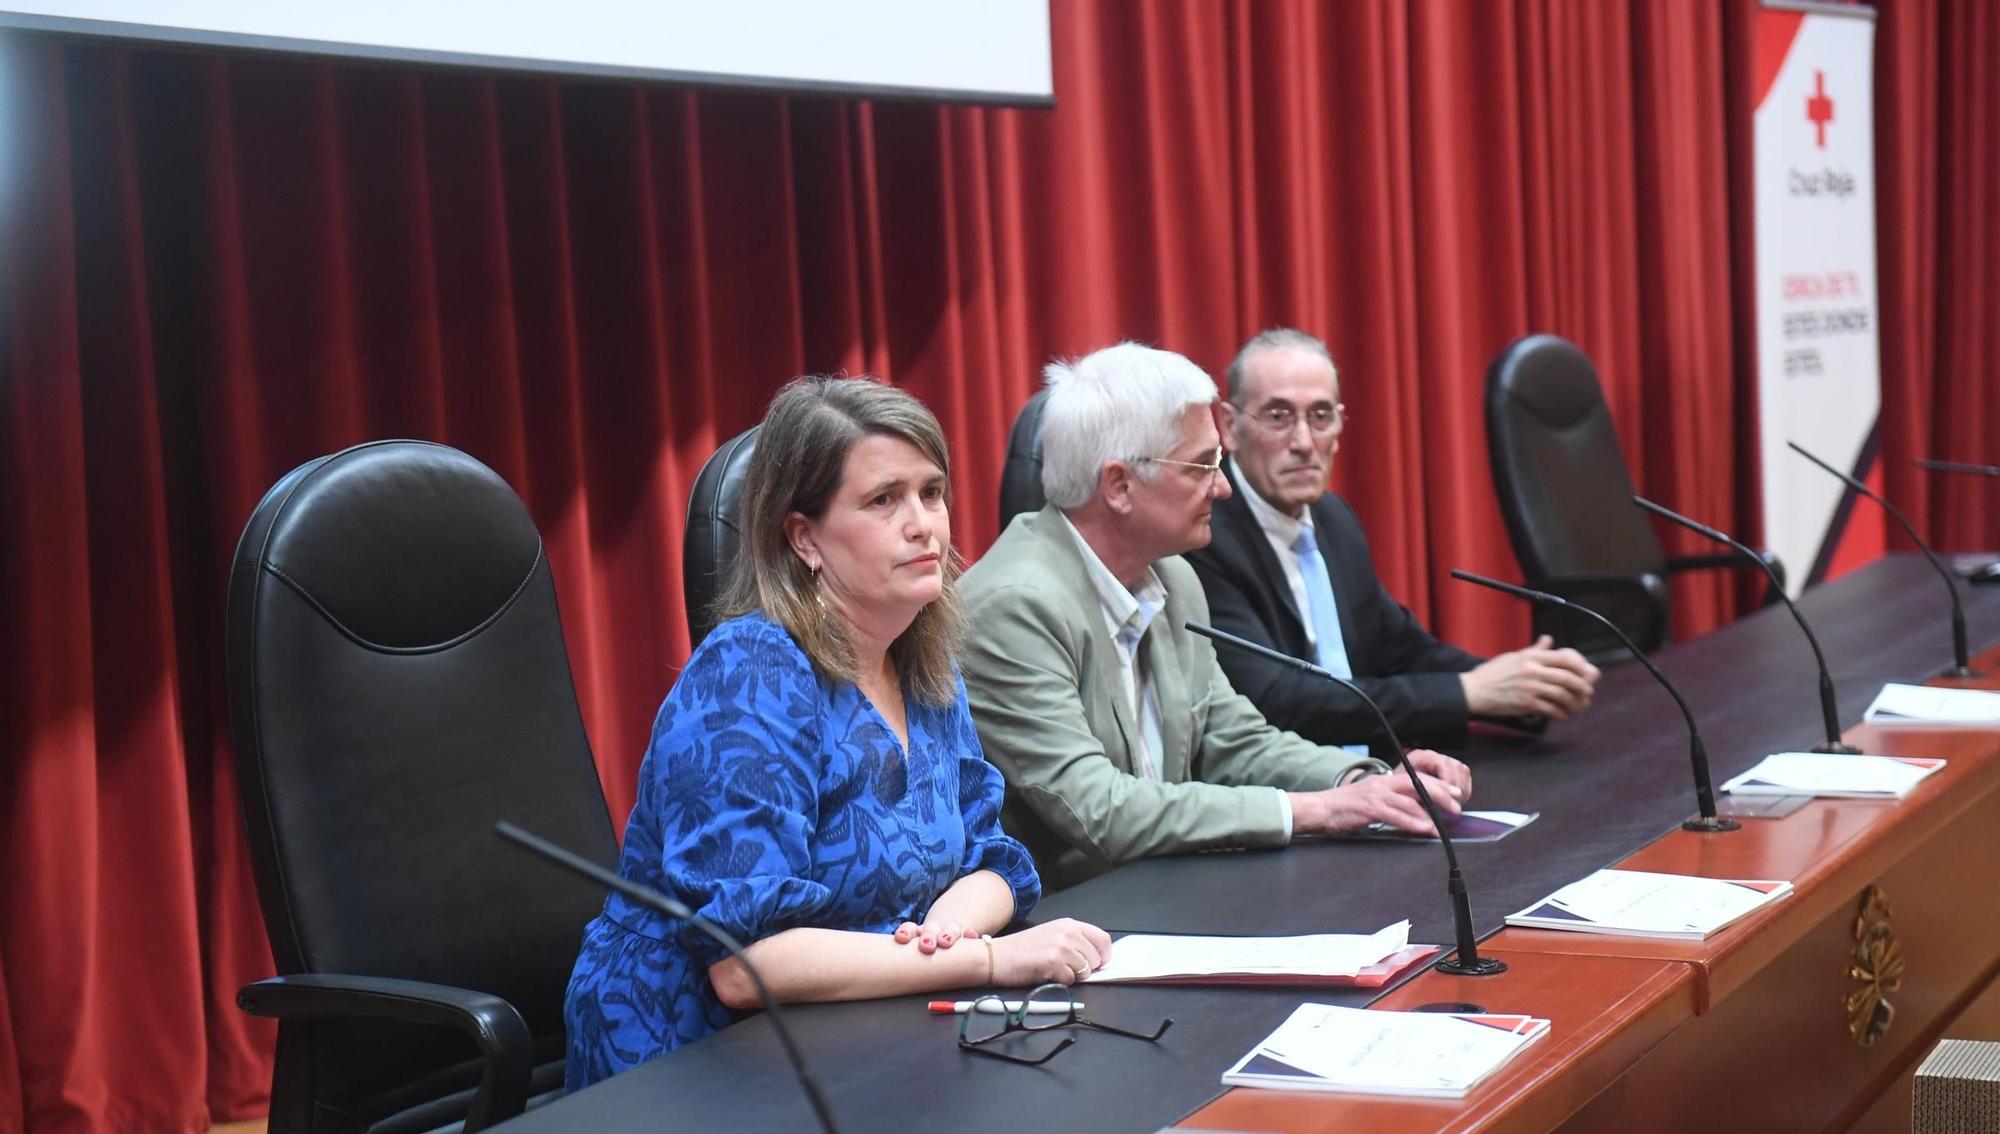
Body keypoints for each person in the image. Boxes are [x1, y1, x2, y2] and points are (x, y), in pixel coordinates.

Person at [565, 377, 1110, 1089]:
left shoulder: (924, 657)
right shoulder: (748, 675)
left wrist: (951, 928)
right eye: (884, 500)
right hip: (692, 1063)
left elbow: (993, 858)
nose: (924, 524)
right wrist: (985, 962)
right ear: (805, 537)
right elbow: (744, 961)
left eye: (932, 492)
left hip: (867, 1034)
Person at [957, 342, 1473, 892]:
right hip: (1075, 922)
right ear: (1119, 486)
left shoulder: (1174, 577)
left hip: (1174, 890)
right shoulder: (1015, 606)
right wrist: (1318, 810)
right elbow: (1100, 811)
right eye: (1203, 465)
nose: (1223, 487)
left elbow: (1231, 738)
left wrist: (1362, 782)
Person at [1188, 328, 1600, 752]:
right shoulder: (1204, 537)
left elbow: (1399, 649)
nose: (1305, 443)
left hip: (1373, 778)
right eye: (1278, 417)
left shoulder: (1334, 519)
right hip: (1283, 794)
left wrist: (1521, 686)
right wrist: (1468, 693)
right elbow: (1276, 701)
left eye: (1321, 416)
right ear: (1231, 428)